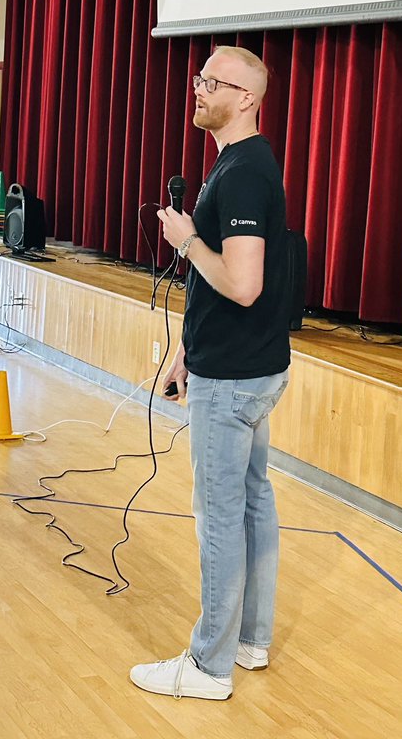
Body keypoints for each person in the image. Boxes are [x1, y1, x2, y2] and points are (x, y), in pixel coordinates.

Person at [130, 45, 291, 701]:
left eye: (212, 82)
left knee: (221, 515)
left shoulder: (244, 173)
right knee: (251, 501)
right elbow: (220, 289)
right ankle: (249, 641)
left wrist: (186, 241)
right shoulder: (238, 163)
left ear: (246, 97)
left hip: (234, 381)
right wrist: (187, 351)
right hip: (241, 367)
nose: (197, 88)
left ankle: (208, 666)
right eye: (199, 78)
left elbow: (244, 285)